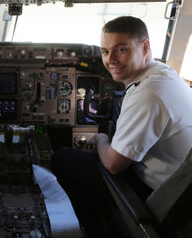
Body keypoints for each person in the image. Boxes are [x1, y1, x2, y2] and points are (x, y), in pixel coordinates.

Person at [51, 16, 192, 237]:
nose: (111, 60)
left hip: (163, 196)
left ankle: (98, 230)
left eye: (121, 50)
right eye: (106, 51)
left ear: (145, 47)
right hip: (178, 188)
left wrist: (100, 140)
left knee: (63, 159)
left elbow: (114, 165)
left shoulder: (149, 94)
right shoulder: (163, 73)